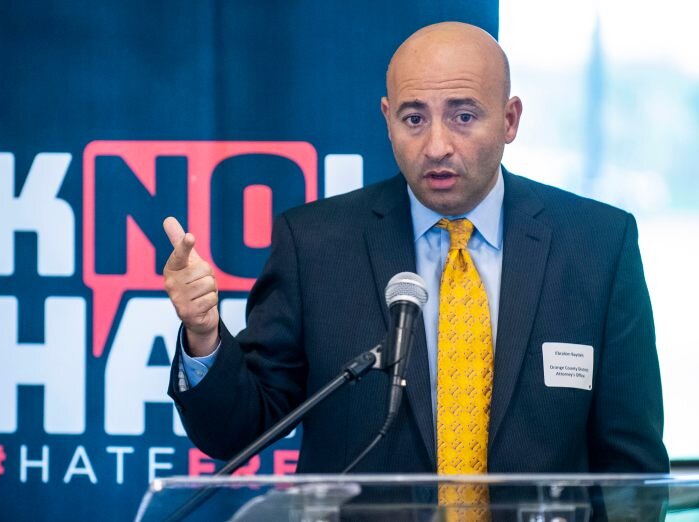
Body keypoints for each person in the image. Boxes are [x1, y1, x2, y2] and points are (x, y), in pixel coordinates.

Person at [163, 22, 669, 475]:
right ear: (387, 119)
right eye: (413, 119)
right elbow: (239, 431)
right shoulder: (316, 244)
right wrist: (204, 336)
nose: (436, 146)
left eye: (464, 116)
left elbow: (632, 467)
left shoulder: (598, 245)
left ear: (510, 120)